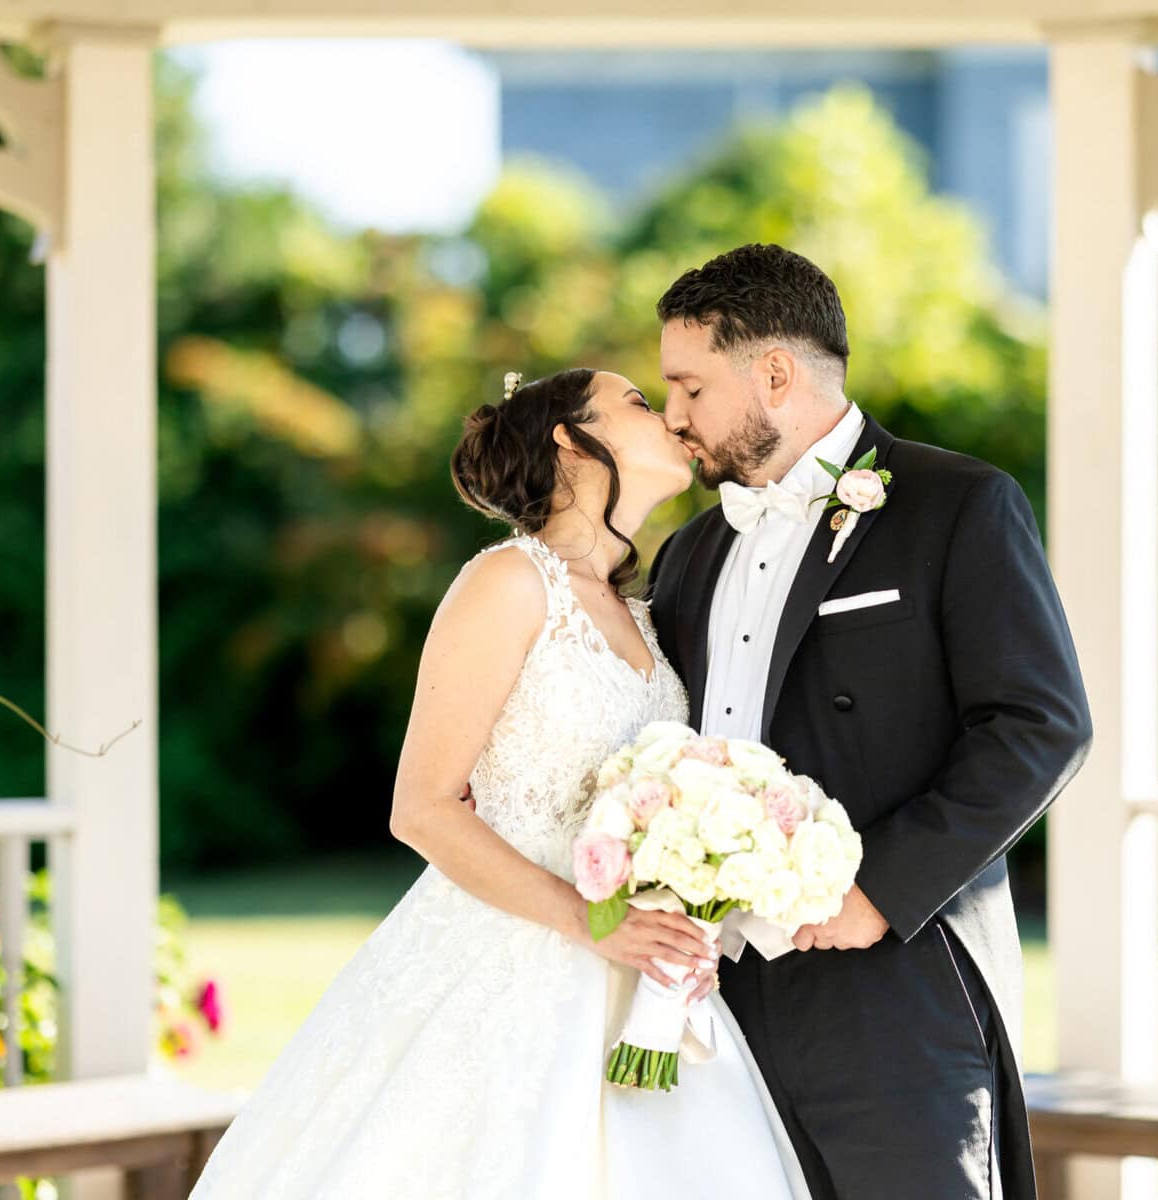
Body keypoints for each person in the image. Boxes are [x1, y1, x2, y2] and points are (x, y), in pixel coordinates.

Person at [188, 367, 811, 1199]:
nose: (665, 412)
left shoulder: (648, 616)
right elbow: (422, 807)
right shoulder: (509, 582)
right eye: (635, 399)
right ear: (569, 439)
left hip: (642, 979)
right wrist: (593, 922)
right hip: (516, 958)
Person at [646, 243, 1093, 1200]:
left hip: (896, 977)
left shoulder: (957, 506)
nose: (674, 418)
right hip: (718, 1002)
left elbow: (1039, 723)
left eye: (689, 387)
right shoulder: (686, 555)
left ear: (774, 372)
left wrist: (878, 893)